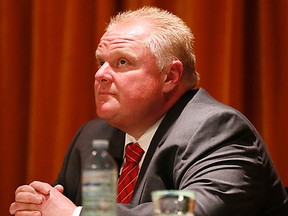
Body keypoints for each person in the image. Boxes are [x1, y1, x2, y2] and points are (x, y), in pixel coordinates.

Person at [9, 6, 288, 216]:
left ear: (170, 76)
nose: (101, 75)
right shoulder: (94, 135)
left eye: (121, 62)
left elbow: (193, 208)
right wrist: (38, 203)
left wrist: (76, 214)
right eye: (100, 62)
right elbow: (60, 205)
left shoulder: (215, 128)